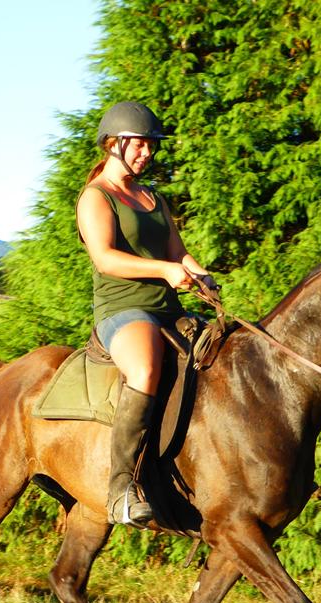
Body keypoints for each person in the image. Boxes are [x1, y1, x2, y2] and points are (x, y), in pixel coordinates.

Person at [76, 101, 216, 526]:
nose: (147, 153)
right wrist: (165, 270)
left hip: (169, 309)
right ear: (113, 144)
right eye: (139, 145)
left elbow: (179, 253)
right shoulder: (95, 197)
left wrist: (201, 275)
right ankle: (122, 488)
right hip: (122, 308)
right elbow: (105, 259)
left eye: (151, 147)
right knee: (145, 369)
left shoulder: (151, 197)